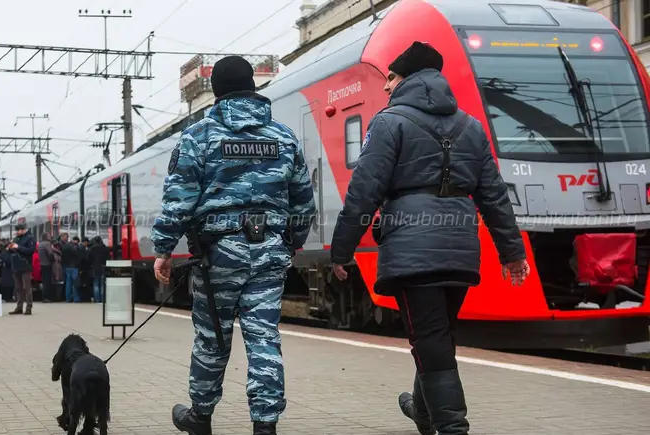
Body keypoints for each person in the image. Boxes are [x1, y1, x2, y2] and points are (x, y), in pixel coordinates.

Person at [329, 42, 530, 435]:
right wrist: (512, 253)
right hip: (459, 250)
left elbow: (364, 190)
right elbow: (494, 196)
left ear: (406, 78)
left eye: (390, 78)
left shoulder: (388, 123)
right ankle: (422, 412)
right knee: (437, 337)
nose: (386, 87)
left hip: (412, 249)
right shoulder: (471, 126)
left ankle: (453, 427)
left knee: (432, 345)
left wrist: (341, 249)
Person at [150, 55, 316, 435]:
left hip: (218, 253)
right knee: (264, 337)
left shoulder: (199, 136)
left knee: (213, 337)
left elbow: (179, 200)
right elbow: (304, 202)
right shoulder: (283, 137)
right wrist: (291, 243)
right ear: (254, 89)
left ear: (217, 91)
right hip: (270, 249)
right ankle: (265, 425)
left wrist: (163, 249)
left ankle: (201, 417)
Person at [8, 224, 36, 315]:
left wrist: (18, 247)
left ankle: (28, 308)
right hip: (16, 266)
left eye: (18, 231)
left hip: (25, 266)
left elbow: (31, 250)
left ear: (23, 230)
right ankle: (19, 307)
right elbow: (14, 251)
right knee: (18, 288)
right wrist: (10, 248)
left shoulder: (30, 238)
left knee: (27, 288)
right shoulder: (16, 238)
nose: (16, 232)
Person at [37, 232, 54, 302]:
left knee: (44, 281)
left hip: (41, 264)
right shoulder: (47, 244)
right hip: (47, 264)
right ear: (46, 237)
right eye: (49, 236)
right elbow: (50, 254)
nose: (50, 237)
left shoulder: (40, 244)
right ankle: (46, 297)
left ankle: (43, 296)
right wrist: (52, 261)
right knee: (47, 281)